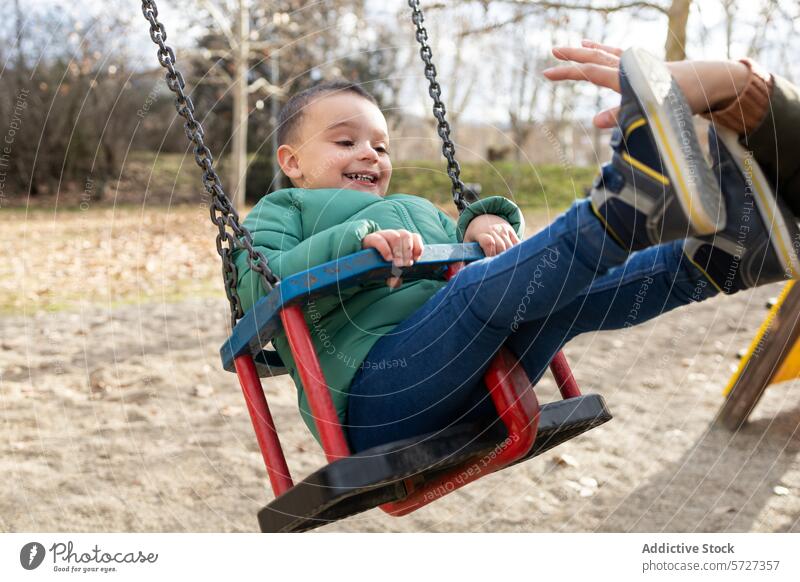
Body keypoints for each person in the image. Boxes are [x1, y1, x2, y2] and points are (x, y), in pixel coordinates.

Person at [235, 47, 799, 453]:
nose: (370, 155)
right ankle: (626, 207)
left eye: (380, 145)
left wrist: (484, 220)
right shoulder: (281, 214)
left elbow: (483, 248)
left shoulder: (415, 209)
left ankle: (722, 256)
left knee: (559, 297)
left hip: (485, 385)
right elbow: (259, 282)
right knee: (473, 296)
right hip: (377, 400)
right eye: (345, 141)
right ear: (291, 162)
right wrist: (356, 242)